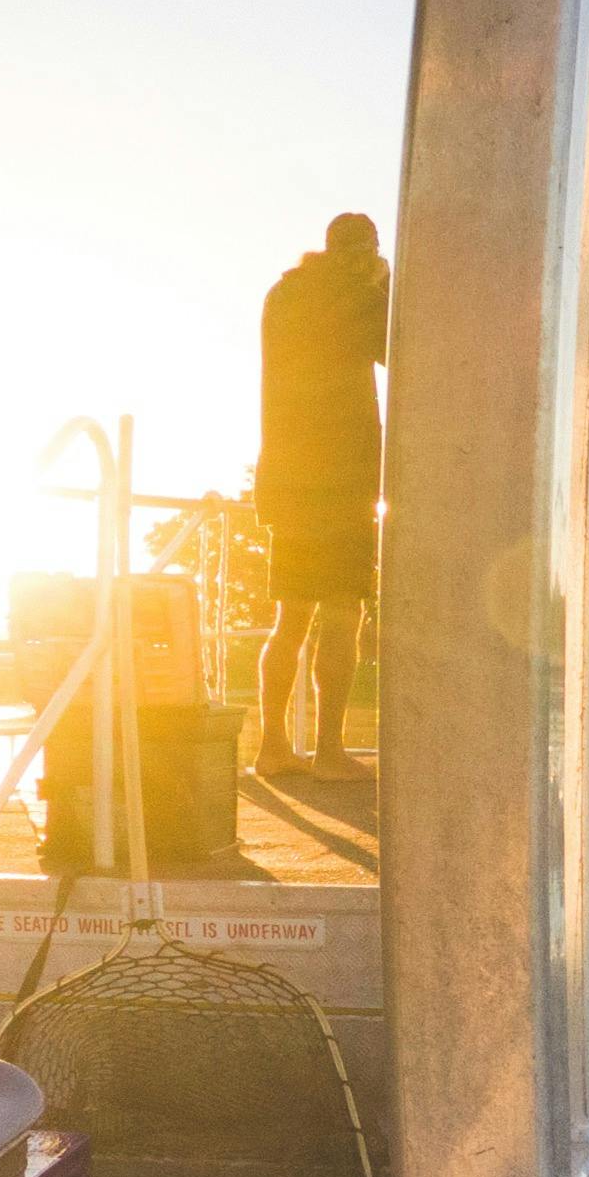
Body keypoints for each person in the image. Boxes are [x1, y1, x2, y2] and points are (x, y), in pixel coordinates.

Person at [253, 211, 389, 779]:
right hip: (343, 478)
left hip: (286, 475)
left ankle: (272, 748)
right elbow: (394, 349)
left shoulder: (284, 295)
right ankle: (330, 752)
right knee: (341, 613)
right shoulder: (356, 296)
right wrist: (383, 285)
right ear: (365, 251)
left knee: (290, 618)